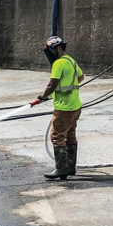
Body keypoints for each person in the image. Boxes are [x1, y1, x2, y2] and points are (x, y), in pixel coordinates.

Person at [35, 35, 84, 180]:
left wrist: (43, 97)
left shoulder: (58, 63)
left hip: (64, 108)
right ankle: (70, 167)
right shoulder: (71, 60)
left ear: (58, 48)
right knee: (70, 136)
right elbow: (81, 78)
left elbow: (52, 84)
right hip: (75, 106)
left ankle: (61, 169)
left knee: (57, 136)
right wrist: (69, 85)